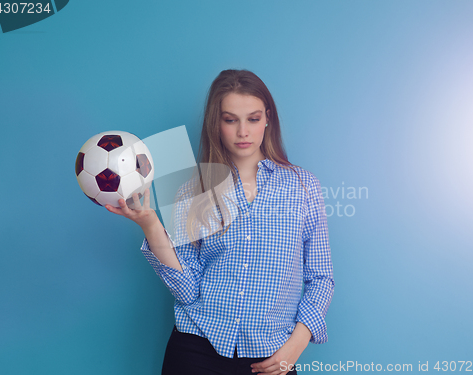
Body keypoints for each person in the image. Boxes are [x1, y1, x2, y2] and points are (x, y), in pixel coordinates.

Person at [106, 69, 334, 375]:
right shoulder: (191, 189)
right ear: (217, 122)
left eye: (253, 119)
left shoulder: (303, 186)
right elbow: (188, 290)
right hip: (195, 349)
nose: (243, 131)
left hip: (271, 356)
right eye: (230, 119)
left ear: (267, 118)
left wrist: (296, 346)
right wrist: (149, 223)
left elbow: (322, 278)